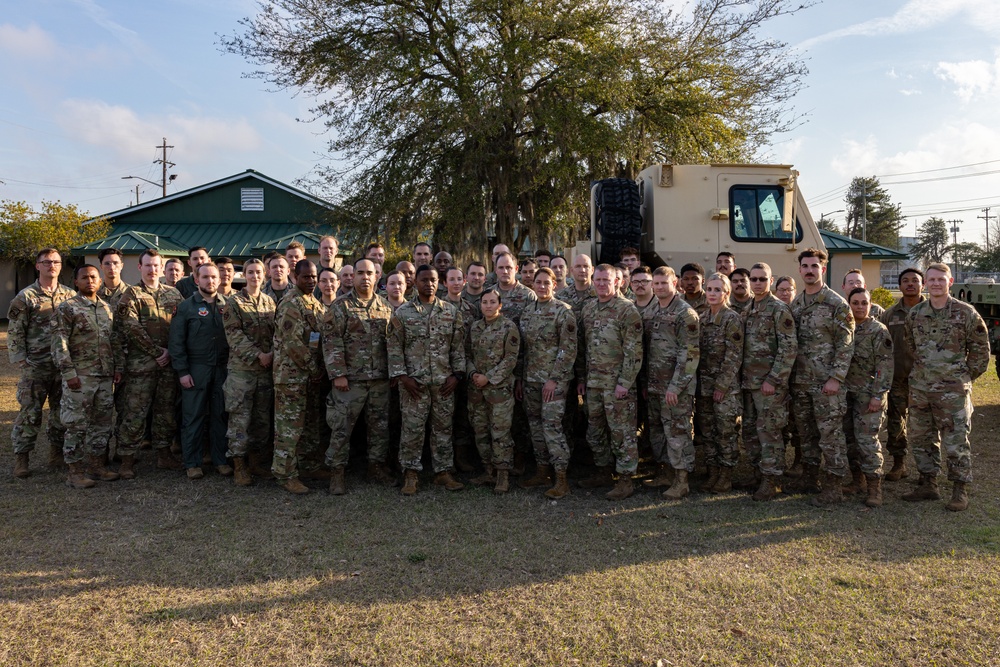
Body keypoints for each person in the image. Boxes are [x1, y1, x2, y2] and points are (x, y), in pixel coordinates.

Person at [901, 263, 989, 511]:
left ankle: (959, 489)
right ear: (926, 283)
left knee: (955, 440)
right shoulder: (915, 314)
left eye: (941, 279)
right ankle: (928, 483)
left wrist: (962, 377)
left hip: (953, 391)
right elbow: (911, 345)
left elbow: (981, 351)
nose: (936, 283)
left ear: (950, 282)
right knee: (920, 437)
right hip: (920, 388)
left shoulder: (966, 313)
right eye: (932, 280)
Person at [387, 265, 467, 495]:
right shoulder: (403, 313)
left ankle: (443, 472)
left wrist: (457, 375)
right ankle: (410, 474)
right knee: (412, 429)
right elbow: (394, 348)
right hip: (415, 384)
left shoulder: (450, 312)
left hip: (443, 383)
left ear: (439, 282)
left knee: (442, 428)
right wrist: (402, 376)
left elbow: (457, 347)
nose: (428, 284)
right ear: (416, 282)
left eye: (433, 280)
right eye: (424, 280)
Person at [322, 258, 395, 494]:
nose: (365, 277)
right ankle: (337, 472)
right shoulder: (340, 306)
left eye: (369, 273)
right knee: (341, 427)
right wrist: (338, 374)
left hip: (379, 379)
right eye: (360, 273)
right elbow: (331, 341)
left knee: (379, 428)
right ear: (352, 277)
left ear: (377, 277)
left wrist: (393, 372)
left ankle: (376, 467)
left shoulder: (385, 307)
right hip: (350, 380)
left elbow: (391, 344)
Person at [788, 248, 855, 505]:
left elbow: (846, 344)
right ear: (800, 269)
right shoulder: (796, 305)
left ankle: (834, 487)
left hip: (827, 384)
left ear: (823, 269)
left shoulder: (836, 304)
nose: (809, 270)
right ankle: (809, 478)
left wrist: (836, 378)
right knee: (806, 434)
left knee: (831, 436)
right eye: (805, 266)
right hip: (801, 382)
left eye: (814, 266)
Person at [115, 250, 185, 478]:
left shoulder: (173, 294)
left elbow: (183, 325)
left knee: (165, 411)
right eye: (148, 265)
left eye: (156, 266)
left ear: (161, 268)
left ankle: (164, 454)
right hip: (140, 366)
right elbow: (130, 326)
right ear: (140, 267)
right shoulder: (131, 294)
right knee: (135, 412)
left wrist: (172, 353)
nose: (152, 270)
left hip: (168, 365)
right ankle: (127, 459)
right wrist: (156, 351)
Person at [576, 264, 643, 500]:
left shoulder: (627, 310)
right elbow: (583, 348)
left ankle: (625, 480)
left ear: (618, 282)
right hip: (594, 384)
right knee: (595, 431)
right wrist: (582, 378)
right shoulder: (588, 308)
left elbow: (634, 351)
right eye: (598, 280)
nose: (602, 284)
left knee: (621, 433)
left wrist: (625, 383)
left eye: (607, 280)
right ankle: (603, 472)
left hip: (617, 385)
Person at [8, 248, 76, 478]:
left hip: (62, 366)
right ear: (38, 266)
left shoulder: (70, 295)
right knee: (30, 413)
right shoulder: (25, 297)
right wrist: (21, 362)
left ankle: (56, 453)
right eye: (46, 262)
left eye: (56, 262)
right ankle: (22, 458)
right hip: (36, 365)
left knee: (60, 411)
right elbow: (15, 332)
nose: (52, 266)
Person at [51, 264, 120, 488]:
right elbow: (59, 342)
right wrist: (69, 372)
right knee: (77, 425)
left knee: (101, 424)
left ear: (99, 281)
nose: (90, 281)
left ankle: (97, 466)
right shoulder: (67, 308)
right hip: (80, 376)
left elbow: (113, 341)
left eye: (93, 277)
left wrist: (117, 367)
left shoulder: (106, 308)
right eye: (85, 278)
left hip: (104, 375)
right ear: (76, 282)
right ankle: (75, 471)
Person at [639, 266, 699, 499]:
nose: (660, 287)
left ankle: (682, 480)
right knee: (658, 432)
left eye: (665, 283)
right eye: (657, 283)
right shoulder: (652, 310)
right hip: (654, 385)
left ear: (675, 283)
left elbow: (690, 354)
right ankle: (666, 473)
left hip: (676, 388)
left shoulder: (685, 314)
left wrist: (676, 386)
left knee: (678, 432)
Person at [517, 268, 577, 498]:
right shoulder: (527, 312)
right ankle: (542, 471)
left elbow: (568, 350)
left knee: (552, 427)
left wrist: (554, 379)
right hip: (531, 379)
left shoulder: (563, 312)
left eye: (546, 283)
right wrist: (522, 378)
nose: (541, 286)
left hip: (554, 381)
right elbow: (524, 350)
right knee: (535, 426)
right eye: (538, 282)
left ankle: (561, 478)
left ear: (554, 284)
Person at [169, 263, 230, 480]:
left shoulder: (228, 305)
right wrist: (183, 371)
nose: (210, 281)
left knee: (220, 415)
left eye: (214, 277)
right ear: (196, 280)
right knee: (193, 417)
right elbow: (176, 343)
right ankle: (192, 463)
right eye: (205, 277)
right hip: (196, 368)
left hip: (221, 369)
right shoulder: (185, 307)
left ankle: (220, 460)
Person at [271, 261, 327, 494]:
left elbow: (316, 338)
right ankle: (285, 474)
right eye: (306, 277)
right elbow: (292, 343)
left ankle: (310, 466)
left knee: (310, 425)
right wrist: (314, 369)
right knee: (289, 427)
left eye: (314, 277)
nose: (311, 281)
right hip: (291, 376)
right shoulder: (291, 303)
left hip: (309, 376)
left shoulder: (313, 303)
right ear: (295, 276)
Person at [742, 263, 797, 501]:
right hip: (749, 383)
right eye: (753, 279)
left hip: (769, 386)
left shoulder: (778, 309)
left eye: (762, 279)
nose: (757, 283)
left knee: (770, 434)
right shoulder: (748, 309)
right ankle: (757, 473)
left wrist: (774, 379)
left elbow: (789, 348)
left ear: (770, 280)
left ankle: (771, 480)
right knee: (751, 432)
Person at [221, 258, 275, 486]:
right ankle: (239, 466)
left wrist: (271, 353)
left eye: (258, 272)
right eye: (250, 272)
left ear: (264, 275)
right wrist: (258, 355)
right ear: (244, 275)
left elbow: (277, 333)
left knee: (262, 420)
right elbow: (233, 335)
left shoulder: (270, 302)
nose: (254, 276)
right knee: (240, 420)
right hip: (242, 372)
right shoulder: (234, 303)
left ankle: (256, 462)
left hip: (265, 371)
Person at [842, 287, 893, 507]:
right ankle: (858, 480)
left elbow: (885, 365)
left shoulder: (878, 330)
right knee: (849, 440)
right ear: (849, 303)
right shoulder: (844, 328)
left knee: (867, 441)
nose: (860, 307)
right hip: (846, 394)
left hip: (868, 395)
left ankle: (875, 487)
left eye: (864, 302)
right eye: (856, 302)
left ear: (871, 305)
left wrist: (878, 395)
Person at [467, 289, 521, 494]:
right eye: (484, 302)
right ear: (480, 305)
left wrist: (488, 377)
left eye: (492, 302)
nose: (488, 306)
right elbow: (467, 353)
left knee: (500, 433)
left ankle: (502, 475)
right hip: (476, 389)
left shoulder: (509, 327)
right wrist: (472, 373)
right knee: (480, 430)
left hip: (499, 390)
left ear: (500, 305)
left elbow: (510, 359)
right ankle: (488, 470)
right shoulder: (475, 327)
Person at [695, 273, 743, 494]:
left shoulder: (732, 319)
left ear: (726, 293)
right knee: (707, 430)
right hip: (703, 386)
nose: (712, 294)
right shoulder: (701, 318)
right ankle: (712, 472)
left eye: (717, 290)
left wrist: (722, 386)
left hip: (724, 388)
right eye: (709, 289)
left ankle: (726, 475)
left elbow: (734, 356)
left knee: (725, 431)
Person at [879, 268, 925, 482]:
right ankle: (899, 464)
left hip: (925, 381)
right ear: (899, 286)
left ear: (922, 285)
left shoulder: (931, 311)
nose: (910, 284)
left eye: (915, 280)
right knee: (896, 423)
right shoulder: (889, 315)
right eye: (905, 281)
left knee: (926, 426)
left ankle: (927, 471)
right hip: (897, 380)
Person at [773, 274, 802, 476]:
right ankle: (779, 461)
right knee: (779, 421)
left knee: (799, 421)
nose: (785, 293)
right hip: (778, 376)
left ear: (794, 291)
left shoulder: (801, 312)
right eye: (781, 289)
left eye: (788, 289)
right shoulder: (774, 311)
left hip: (800, 375)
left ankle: (799, 461)